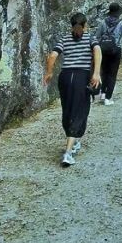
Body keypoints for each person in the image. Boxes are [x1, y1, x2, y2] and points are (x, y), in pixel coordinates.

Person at [44, 12, 101, 167]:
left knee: (67, 110)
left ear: (71, 25)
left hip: (65, 77)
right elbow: (97, 51)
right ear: (85, 25)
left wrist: (49, 72)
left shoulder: (64, 38)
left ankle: (73, 141)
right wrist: (96, 73)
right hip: (81, 77)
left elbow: (52, 56)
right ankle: (68, 153)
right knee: (80, 111)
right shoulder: (89, 37)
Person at [95, 2, 122, 105]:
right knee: (112, 74)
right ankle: (108, 98)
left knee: (104, 71)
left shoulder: (103, 22)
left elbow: (97, 36)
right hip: (116, 50)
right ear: (118, 12)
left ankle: (102, 93)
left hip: (103, 50)